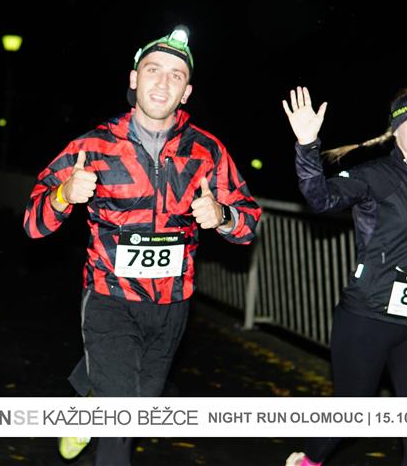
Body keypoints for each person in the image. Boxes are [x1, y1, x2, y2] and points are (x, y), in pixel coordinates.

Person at [23, 26, 261, 465]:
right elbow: (32, 224)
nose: (163, 83)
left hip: (173, 303)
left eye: (176, 75)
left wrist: (223, 216)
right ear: (134, 79)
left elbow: (248, 224)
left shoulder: (207, 151)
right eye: (153, 70)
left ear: (186, 92)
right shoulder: (92, 146)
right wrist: (63, 195)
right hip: (109, 296)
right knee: (121, 423)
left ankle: (90, 398)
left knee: (138, 406)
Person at [282, 86, 407, 466]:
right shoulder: (376, 175)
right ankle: (308, 459)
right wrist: (307, 145)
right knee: (351, 410)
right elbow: (320, 199)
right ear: (396, 131)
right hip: (368, 315)